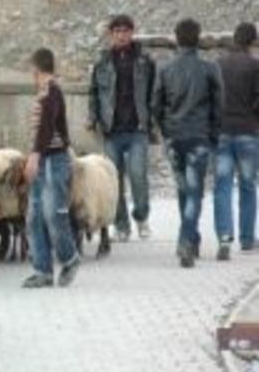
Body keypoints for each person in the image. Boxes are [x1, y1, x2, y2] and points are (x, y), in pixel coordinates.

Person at [152, 18, 224, 268]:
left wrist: (166, 131)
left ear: (176, 38)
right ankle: (187, 240)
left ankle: (190, 239)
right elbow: (219, 106)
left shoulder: (165, 69)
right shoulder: (209, 69)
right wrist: (213, 134)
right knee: (194, 192)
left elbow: (156, 105)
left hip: (174, 137)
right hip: (199, 137)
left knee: (183, 189)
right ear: (198, 38)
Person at [87, 14, 156, 242]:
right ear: (111, 34)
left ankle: (142, 217)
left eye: (125, 31)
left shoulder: (145, 61)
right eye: (117, 31)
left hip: (137, 129)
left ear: (132, 33)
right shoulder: (102, 63)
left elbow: (154, 93)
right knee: (114, 181)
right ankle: (121, 225)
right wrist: (92, 118)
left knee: (138, 176)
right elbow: (94, 93)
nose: (121, 35)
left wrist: (153, 120)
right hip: (112, 130)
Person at [22, 48, 80, 288]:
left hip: (54, 160)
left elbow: (47, 126)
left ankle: (70, 258)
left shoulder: (51, 91)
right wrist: (34, 155)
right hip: (42, 161)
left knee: (53, 214)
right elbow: (41, 129)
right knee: (34, 216)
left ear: (35, 68)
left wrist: (35, 155)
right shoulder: (44, 91)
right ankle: (42, 270)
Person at [213, 22, 259, 260]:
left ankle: (224, 237)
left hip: (221, 132)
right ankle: (247, 238)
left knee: (222, 186)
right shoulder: (255, 65)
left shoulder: (218, 64)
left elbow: (210, 98)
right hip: (248, 132)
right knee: (248, 185)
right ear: (253, 42)